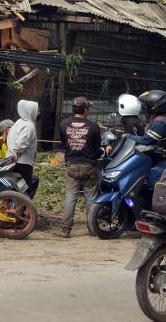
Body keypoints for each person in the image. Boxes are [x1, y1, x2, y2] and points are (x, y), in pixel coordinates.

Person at [58, 97, 101, 238]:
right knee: (91, 198)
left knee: (70, 197)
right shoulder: (94, 127)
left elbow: (64, 145)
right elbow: (97, 150)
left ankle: (65, 230)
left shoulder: (63, 124)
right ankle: (92, 229)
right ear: (86, 110)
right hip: (89, 166)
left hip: (71, 165)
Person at [127, 90, 166, 187]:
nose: (143, 108)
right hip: (157, 159)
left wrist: (128, 136)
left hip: (163, 162)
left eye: (146, 105)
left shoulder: (160, 123)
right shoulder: (157, 120)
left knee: (150, 182)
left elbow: (147, 141)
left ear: (153, 106)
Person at [7, 100, 39, 198]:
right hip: (22, 164)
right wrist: (17, 154)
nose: (38, 113)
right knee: (24, 190)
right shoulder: (29, 126)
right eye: (37, 110)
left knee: (16, 189)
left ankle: (17, 209)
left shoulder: (18, 122)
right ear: (30, 111)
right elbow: (20, 145)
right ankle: (22, 210)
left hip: (12, 161)